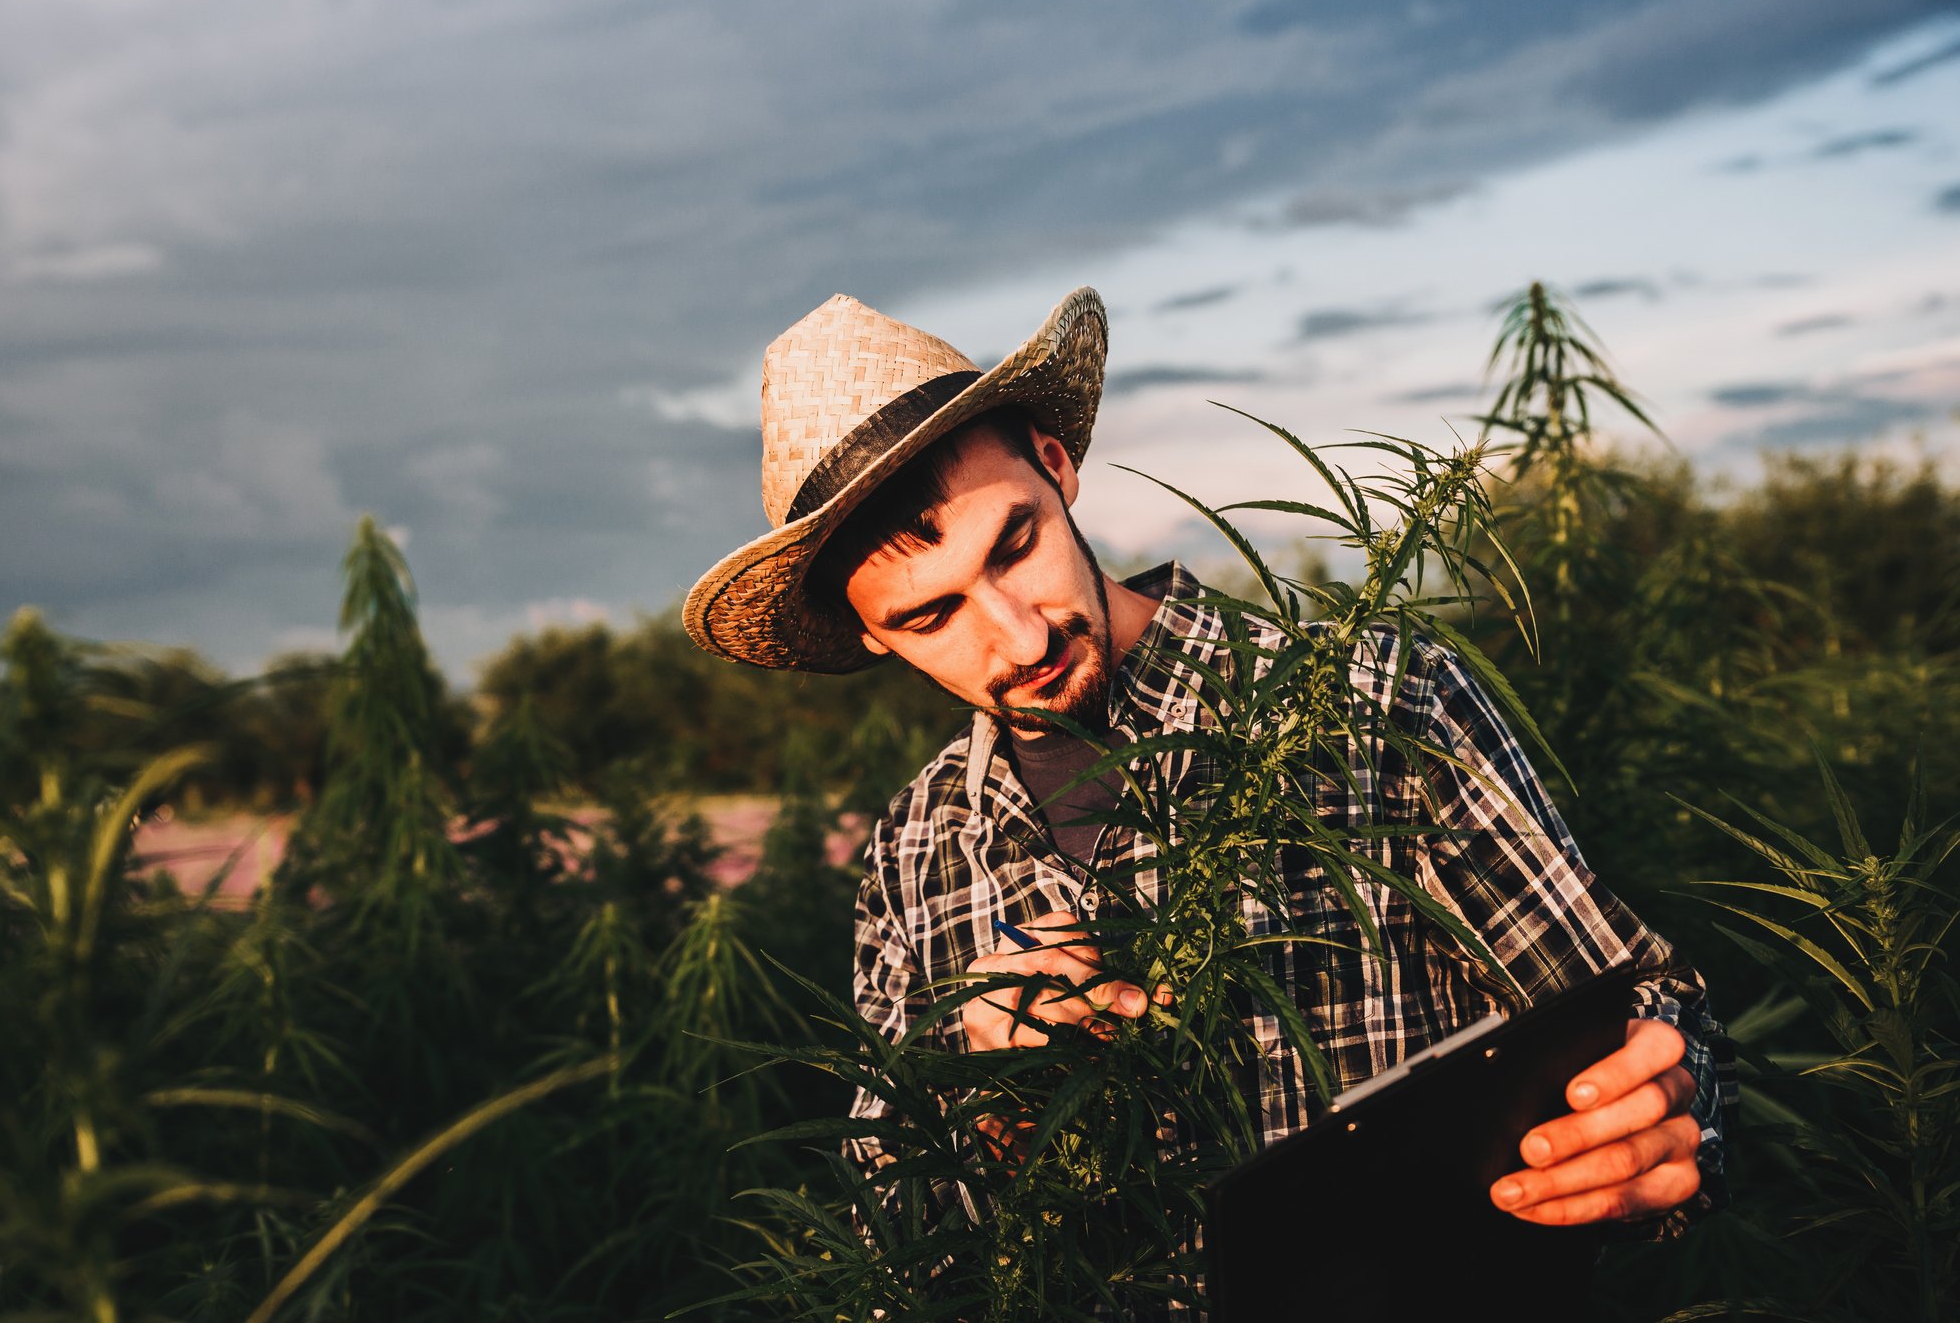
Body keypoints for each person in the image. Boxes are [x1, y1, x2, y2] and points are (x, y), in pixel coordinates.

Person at [682, 288, 1730, 1240]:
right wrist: (985, 1105)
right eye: (931, 613)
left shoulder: (1376, 698)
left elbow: (1630, 996)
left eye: (1012, 544)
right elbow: (895, 1237)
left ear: (1056, 464)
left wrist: (1658, 1107)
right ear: (870, 634)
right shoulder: (914, 849)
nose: (1016, 636)